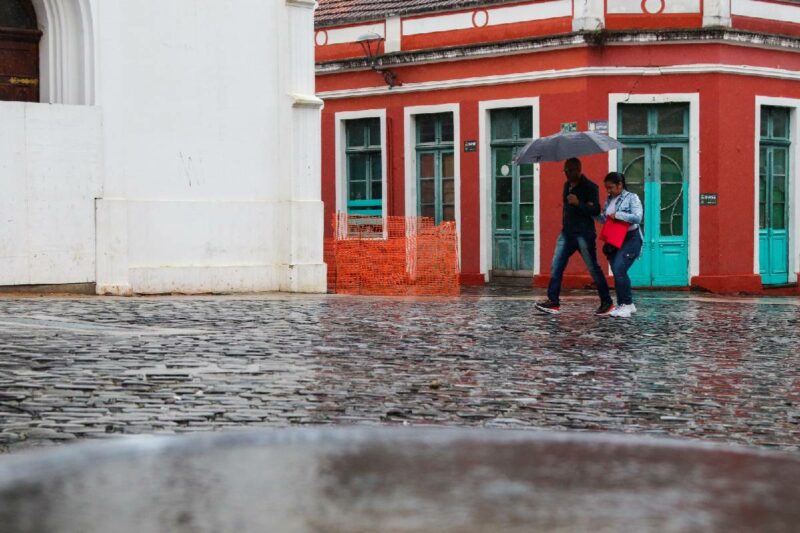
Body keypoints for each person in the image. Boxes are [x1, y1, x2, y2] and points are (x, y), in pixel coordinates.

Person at [535, 158, 614, 315]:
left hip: (584, 234)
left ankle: (607, 302)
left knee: (593, 268)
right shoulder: (566, 186)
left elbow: (596, 210)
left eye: (570, 171)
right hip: (567, 233)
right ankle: (553, 302)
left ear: (578, 170)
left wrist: (579, 203)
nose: (567, 174)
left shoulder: (590, 187)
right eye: (565, 171)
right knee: (556, 265)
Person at [597, 172, 644, 318]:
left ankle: (625, 304)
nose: (608, 191)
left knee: (619, 269)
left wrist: (618, 215)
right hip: (614, 239)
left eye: (611, 187)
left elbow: (637, 217)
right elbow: (604, 219)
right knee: (619, 272)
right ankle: (626, 304)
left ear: (620, 185)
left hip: (631, 238)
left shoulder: (632, 198)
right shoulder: (609, 199)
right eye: (606, 188)